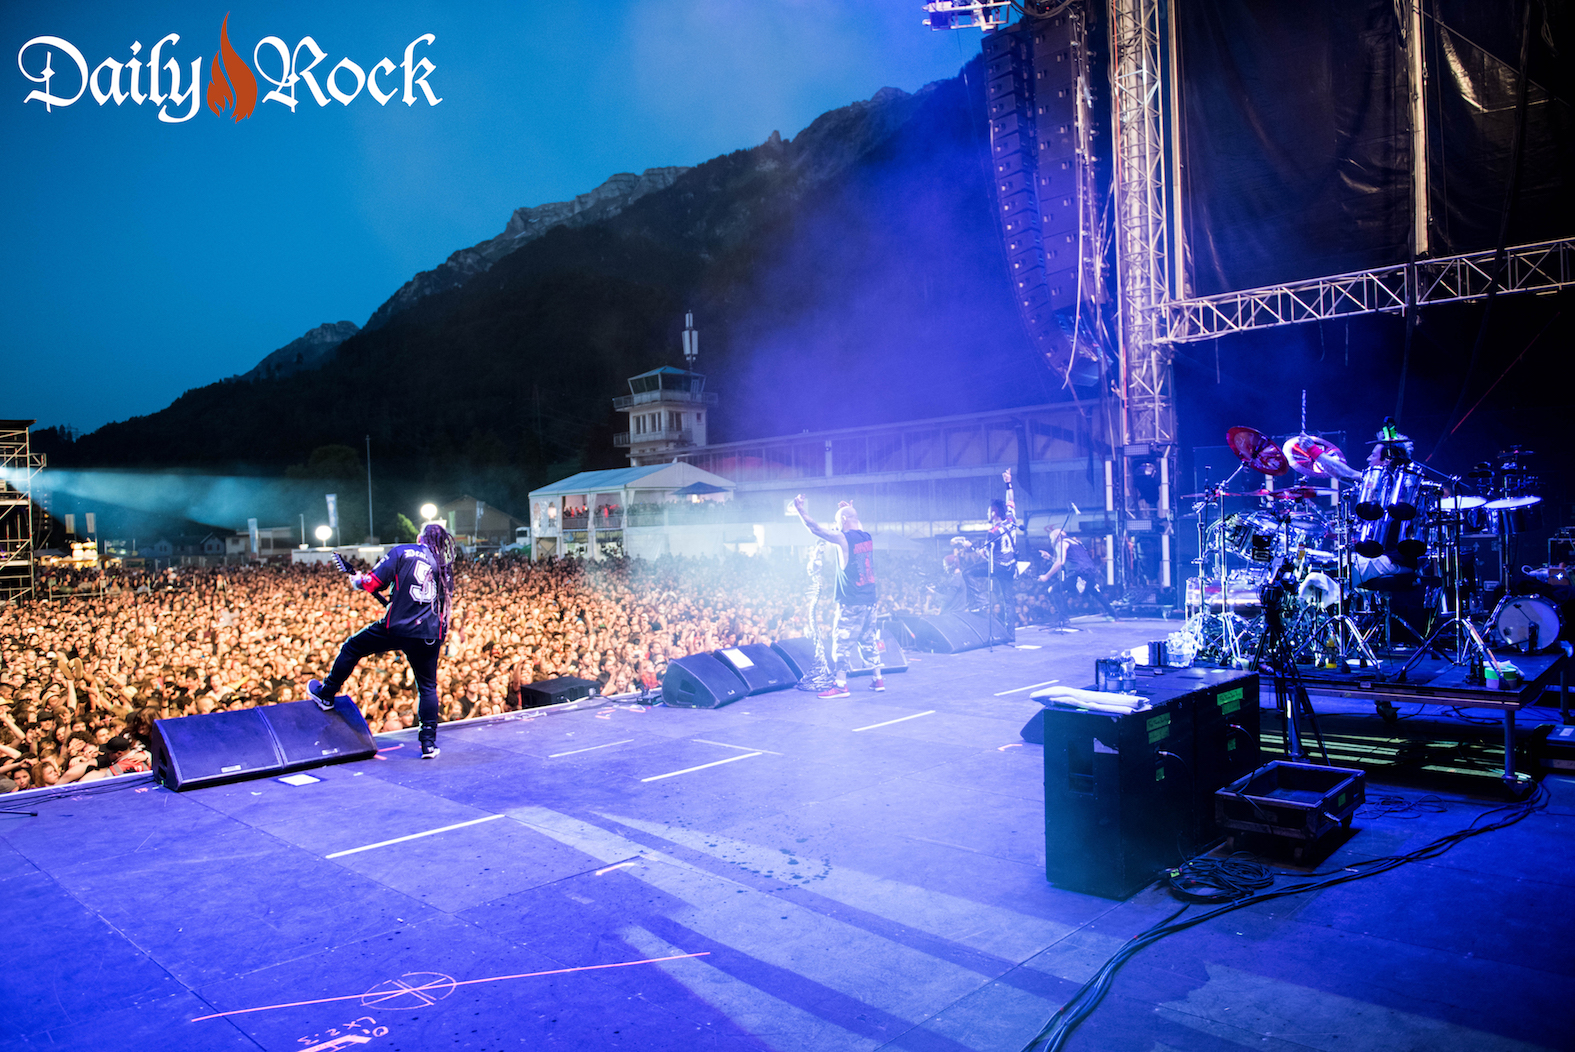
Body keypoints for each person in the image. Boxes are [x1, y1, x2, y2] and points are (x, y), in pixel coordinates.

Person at [309, 522, 457, 759]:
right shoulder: (443, 564)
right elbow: (442, 604)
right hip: (429, 633)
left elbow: (373, 582)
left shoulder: (402, 551)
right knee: (428, 687)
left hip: (398, 627)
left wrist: (358, 581)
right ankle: (428, 744)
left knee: (352, 647)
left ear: (420, 538)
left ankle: (327, 693)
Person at [791, 495, 882, 698]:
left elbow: (815, 529)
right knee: (868, 639)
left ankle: (841, 685)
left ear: (842, 520)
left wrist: (800, 510)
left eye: (838, 521)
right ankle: (878, 679)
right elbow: (854, 521)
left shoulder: (843, 538)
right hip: (870, 600)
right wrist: (848, 510)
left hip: (851, 600)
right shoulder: (866, 536)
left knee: (841, 642)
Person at [963, 470, 1019, 634]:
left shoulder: (993, 532)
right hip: (1010, 567)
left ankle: (980, 600)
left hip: (998, 567)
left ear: (994, 513)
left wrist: (971, 547)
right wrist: (1008, 483)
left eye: (988, 511)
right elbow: (1011, 500)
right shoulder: (1011, 520)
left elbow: (986, 555)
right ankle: (1011, 633)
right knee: (1008, 600)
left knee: (967, 573)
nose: (987, 513)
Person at [1039, 523, 1117, 624]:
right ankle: (1113, 615)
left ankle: (1063, 619)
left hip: (1077, 573)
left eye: (1051, 539)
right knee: (1095, 592)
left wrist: (1046, 576)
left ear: (1056, 537)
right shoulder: (1076, 543)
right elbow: (1069, 561)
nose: (1051, 542)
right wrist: (1050, 558)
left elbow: (1060, 561)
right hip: (1090, 572)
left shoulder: (1061, 543)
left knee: (1053, 589)